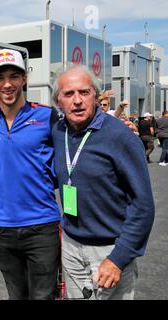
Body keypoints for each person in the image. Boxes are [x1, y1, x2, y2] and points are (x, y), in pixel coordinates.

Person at [51, 65, 155, 300]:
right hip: (70, 246)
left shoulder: (120, 136)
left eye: (84, 92)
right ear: (59, 101)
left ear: (96, 97)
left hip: (109, 250)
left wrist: (118, 258)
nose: (77, 100)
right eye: (69, 94)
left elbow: (143, 206)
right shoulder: (58, 131)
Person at [0, 49, 61, 300]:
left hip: (42, 224)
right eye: (0, 77)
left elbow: (72, 154)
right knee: (16, 295)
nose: (7, 84)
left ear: (25, 78)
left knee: (43, 296)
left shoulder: (48, 116)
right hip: (4, 226)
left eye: (14, 76)